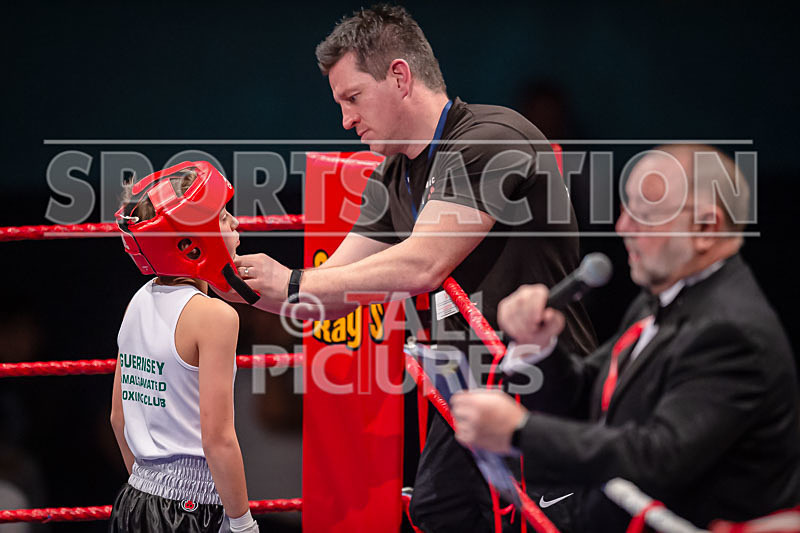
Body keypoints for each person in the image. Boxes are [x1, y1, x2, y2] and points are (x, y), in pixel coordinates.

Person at [228, 4, 596, 531]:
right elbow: (332, 284)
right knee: (436, 511)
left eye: (353, 98)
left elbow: (423, 262)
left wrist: (289, 282)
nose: (345, 119)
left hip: (538, 382)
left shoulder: (490, 138)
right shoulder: (392, 175)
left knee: (540, 521)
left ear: (399, 76)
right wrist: (234, 281)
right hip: (467, 390)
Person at [452, 145, 800, 531]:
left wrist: (520, 431)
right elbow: (590, 397)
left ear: (705, 228)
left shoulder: (730, 331)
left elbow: (657, 457)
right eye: (625, 207)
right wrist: (540, 348)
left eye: (645, 215)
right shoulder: (665, 297)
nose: (622, 227)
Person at [109, 161, 259, 533]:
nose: (236, 224)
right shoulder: (215, 317)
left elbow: (119, 418)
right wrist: (242, 523)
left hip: (134, 498)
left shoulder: (138, 300)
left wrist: (153, 490)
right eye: (224, 217)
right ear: (194, 242)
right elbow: (218, 438)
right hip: (191, 509)